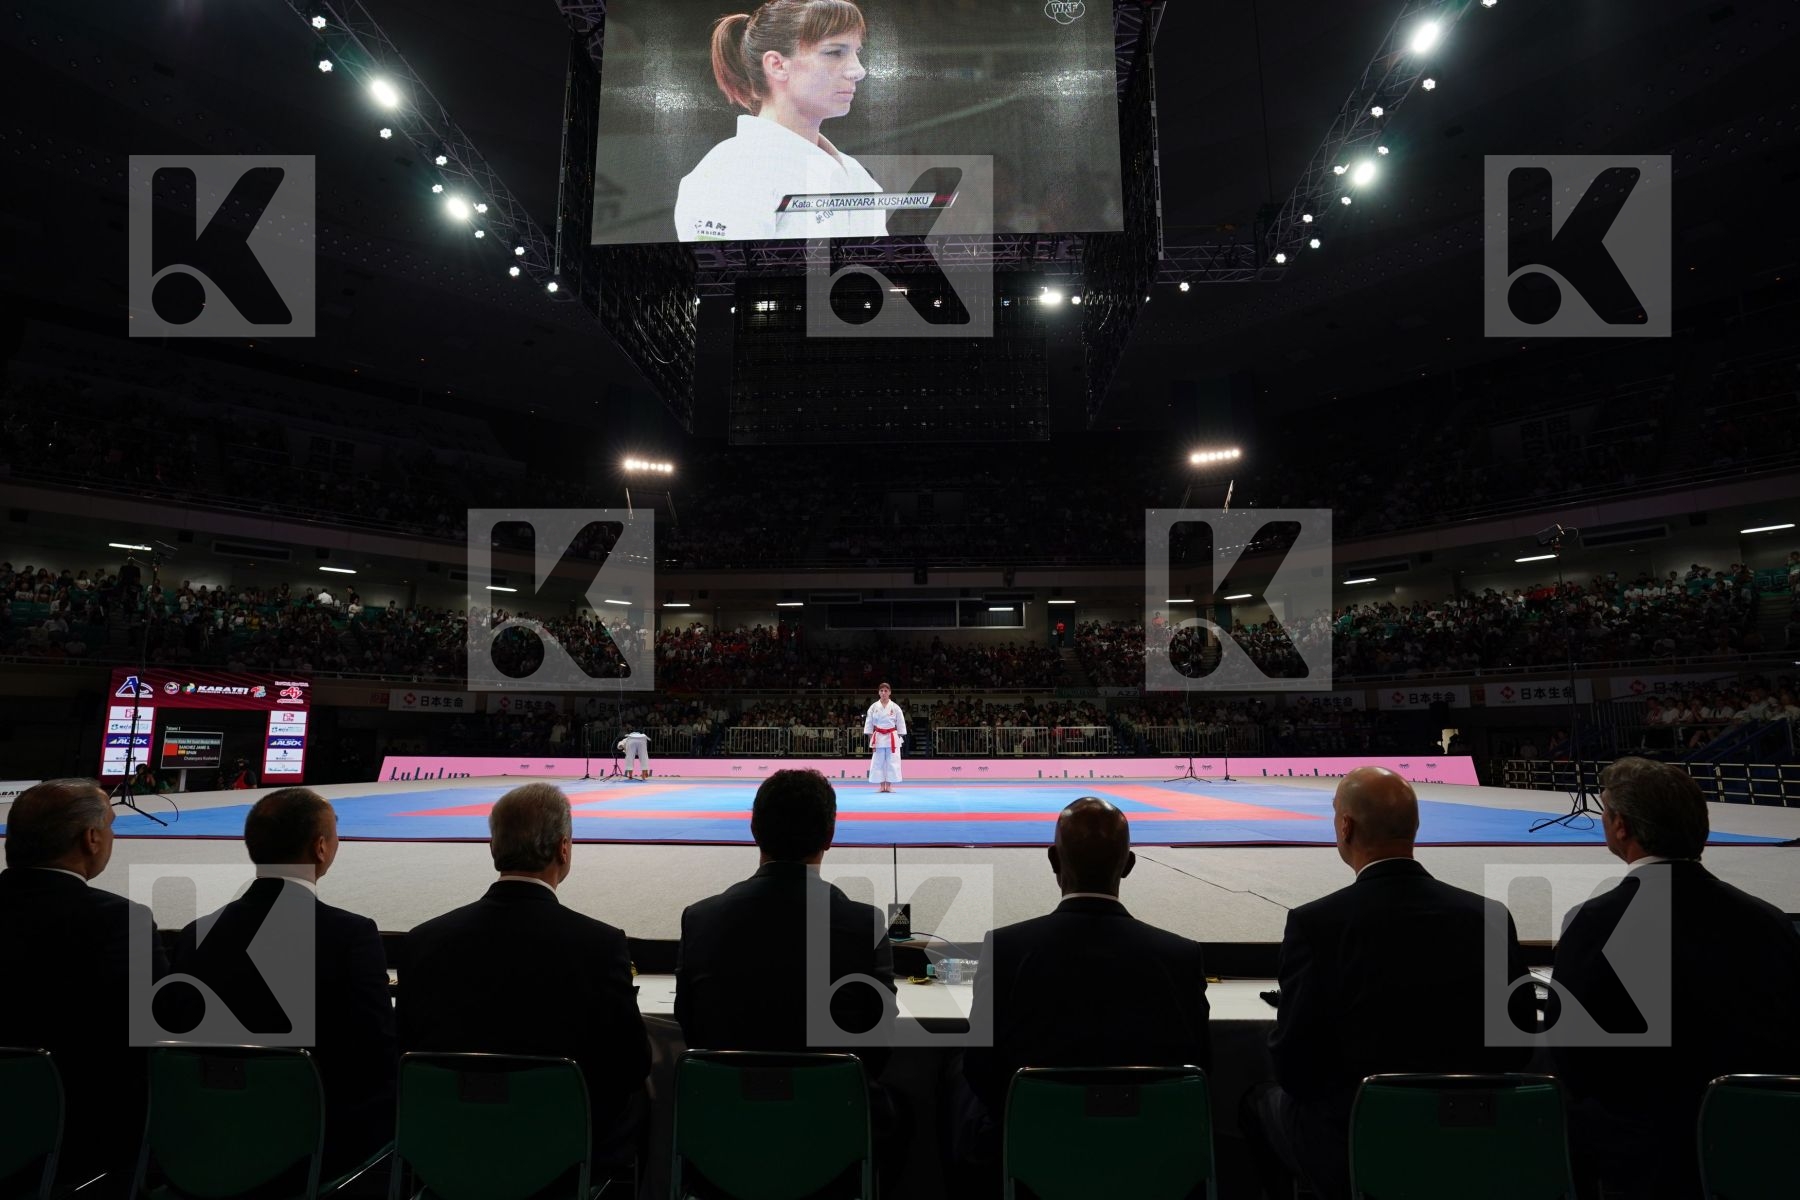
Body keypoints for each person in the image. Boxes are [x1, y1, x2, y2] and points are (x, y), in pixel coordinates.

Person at [1242, 766, 1533, 1200]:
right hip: (1473, 1133)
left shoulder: (1316, 924)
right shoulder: (1488, 917)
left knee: (1255, 1103)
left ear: (1345, 827)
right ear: (1414, 826)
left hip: (1358, 1144)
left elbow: (1294, 1067)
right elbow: (1520, 1044)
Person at [1551, 757, 1800, 1200]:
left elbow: (1570, 1057)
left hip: (1640, 1157)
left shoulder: (1591, 923)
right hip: (1757, 1143)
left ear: (1621, 827)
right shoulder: (1769, 921)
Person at [951, 798, 1211, 1192]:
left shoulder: (1005, 949)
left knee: (953, 1079)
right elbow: (1200, 1068)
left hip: (1035, 1154)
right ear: (1128, 865)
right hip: (1148, 1156)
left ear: (1054, 860)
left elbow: (980, 1071)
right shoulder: (1180, 956)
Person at [675, 769, 909, 1183]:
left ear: (754, 830)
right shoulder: (863, 925)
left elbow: (692, 1029)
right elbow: (877, 1051)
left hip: (726, 1135)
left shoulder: (701, 919)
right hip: (832, 1137)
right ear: (829, 835)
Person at [397, 784, 650, 1166]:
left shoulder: (423, 941)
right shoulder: (599, 945)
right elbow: (631, 1065)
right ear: (563, 849)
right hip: (562, 1152)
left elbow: (404, 1050)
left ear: (493, 848)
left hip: (449, 1149)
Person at [167, 789, 395, 1177]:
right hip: (313, 1147)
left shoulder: (195, 933)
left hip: (206, 1139)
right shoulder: (350, 935)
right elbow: (375, 1051)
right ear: (320, 848)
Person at [0, 779, 168, 1196]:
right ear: (92, 839)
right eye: (111, 827)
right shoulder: (118, 921)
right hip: (78, 1140)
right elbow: (161, 1026)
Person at [674, 0, 885, 243]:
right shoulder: (731, 173)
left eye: (856, 52)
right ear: (777, 65)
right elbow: (725, 277)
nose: (858, 71)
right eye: (835, 52)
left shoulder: (856, 175)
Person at [863, 681, 906, 793]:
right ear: (879, 692)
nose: (883, 693)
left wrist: (900, 735)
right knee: (878, 761)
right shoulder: (873, 707)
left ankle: (889, 785)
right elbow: (869, 722)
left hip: (892, 736)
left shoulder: (895, 707)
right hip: (878, 736)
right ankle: (882, 786)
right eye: (881, 691)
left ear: (890, 692)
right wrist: (870, 736)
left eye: (886, 691)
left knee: (892, 761)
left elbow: (900, 722)